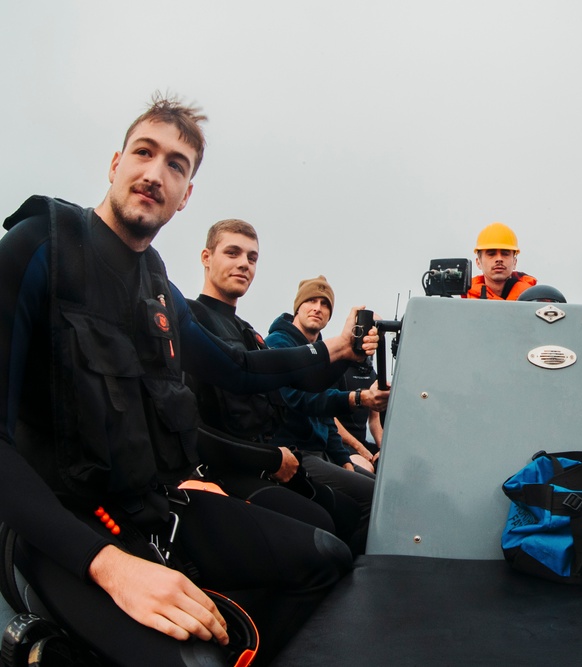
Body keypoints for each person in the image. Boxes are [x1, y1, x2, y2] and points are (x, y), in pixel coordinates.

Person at [0, 94, 379, 666]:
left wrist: (333, 349)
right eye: (144, 153)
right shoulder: (38, 248)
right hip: (58, 530)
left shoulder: (157, 287)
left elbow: (240, 367)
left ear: (186, 195)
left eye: (176, 165)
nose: (155, 173)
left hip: (153, 509)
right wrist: (109, 565)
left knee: (328, 556)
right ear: (115, 164)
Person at [185, 218, 364, 544]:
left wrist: (347, 356)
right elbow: (237, 377)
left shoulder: (247, 332)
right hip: (224, 470)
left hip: (268, 463)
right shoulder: (191, 319)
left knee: (350, 514)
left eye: (252, 258)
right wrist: (334, 349)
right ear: (206, 257)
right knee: (325, 530)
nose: (243, 264)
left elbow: (301, 384)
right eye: (232, 253)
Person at [266, 276, 388, 526]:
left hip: (320, 452)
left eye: (325, 304)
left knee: (384, 486)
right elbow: (299, 399)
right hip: (294, 451)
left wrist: (343, 458)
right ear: (297, 307)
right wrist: (359, 398)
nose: (317, 308)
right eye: (311, 301)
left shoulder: (323, 351)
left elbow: (327, 420)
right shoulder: (278, 344)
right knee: (377, 497)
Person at [335, 356, 383, 473]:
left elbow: (374, 420)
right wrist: (360, 448)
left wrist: (383, 449)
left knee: (390, 464)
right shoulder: (336, 369)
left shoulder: (371, 372)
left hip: (361, 442)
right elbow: (329, 419)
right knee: (367, 469)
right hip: (340, 443)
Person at [464, 222, 537, 300]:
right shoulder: (464, 306)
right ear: (478, 262)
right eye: (491, 254)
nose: (499, 259)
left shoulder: (534, 302)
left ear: (515, 262)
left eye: (505, 254)